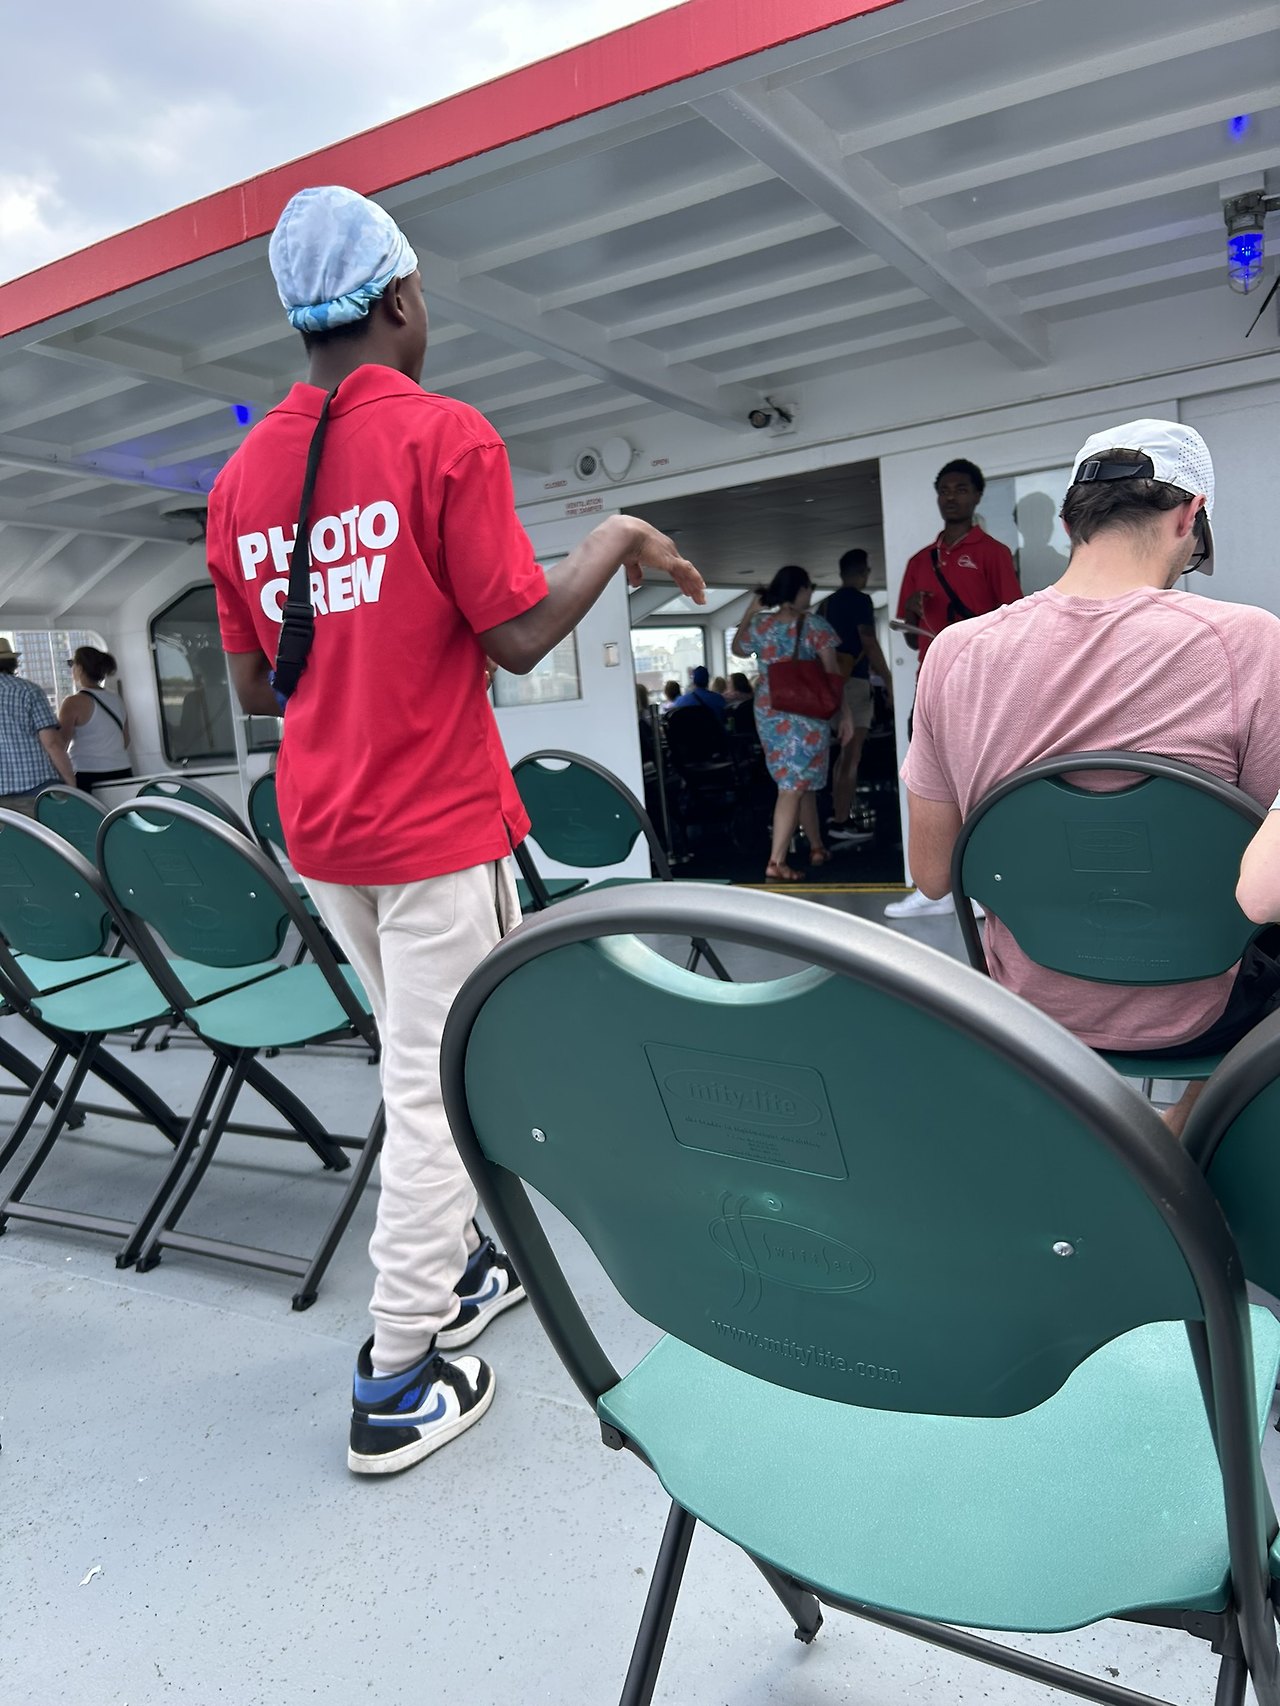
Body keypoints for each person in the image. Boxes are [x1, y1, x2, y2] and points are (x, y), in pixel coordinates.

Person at [205, 185, 703, 1476]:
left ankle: (465, 1261)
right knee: (434, 1084)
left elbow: (257, 683)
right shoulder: (444, 435)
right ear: (397, 298)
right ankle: (395, 1371)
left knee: (418, 1056)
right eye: (422, 295)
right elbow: (519, 635)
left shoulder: (240, 478)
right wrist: (614, 535)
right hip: (431, 824)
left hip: (324, 828)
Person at [899, 418, 1280, 1136]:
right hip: (1205, 1012)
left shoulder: (954, 652)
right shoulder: (1252, 641)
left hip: (1028, 1007)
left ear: (1071, 521)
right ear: (1191, 516)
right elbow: (1261, 873)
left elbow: (932, 874)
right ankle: (1187, 1130)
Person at [887, 458, 1024, 918]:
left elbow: (1015, 624)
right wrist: (910, 608)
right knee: (929, 784)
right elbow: (912, 638)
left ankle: (984, 885)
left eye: (961, 489)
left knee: (984, 781)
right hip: (931, 685)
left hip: (982, 684)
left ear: (977, 495)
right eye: (945, 489)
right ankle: (933, 889)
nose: (952, 497)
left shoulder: (993, 553)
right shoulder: (919, 562)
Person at [732, 564, 851, 882]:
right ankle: (777, 862)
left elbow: (738, 648)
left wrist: (750, 610)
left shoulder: (761, 624)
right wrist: (845, 715)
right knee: (792, 786)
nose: (811, 593)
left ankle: (816, 846)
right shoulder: (814, 625)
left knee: (800, 782)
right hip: (806, 710)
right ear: (800, 590)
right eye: (809, 587)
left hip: (769, 710)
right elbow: (833, 673)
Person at [820, 548, 892, 847]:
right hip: (854, 683)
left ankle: (838, 815)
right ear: (863, 573)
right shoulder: (861, 601)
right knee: (853, 755)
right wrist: (888, 679)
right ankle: (841, 821)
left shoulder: (825, 605)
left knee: (842, 755)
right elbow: (868, 641)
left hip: (832, 684)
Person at [0, 638, 74, 813]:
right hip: (37, 789)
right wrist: (71, 783)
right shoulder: (29, 690)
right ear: (12, 663)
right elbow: (52, 743)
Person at [58, 646, 131, 792]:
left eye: (71, 664)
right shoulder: (115, 698)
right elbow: (125, 739)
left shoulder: (73, 702)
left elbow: (60, 744)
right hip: (123, 771)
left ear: (79, 668)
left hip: (88, 775)